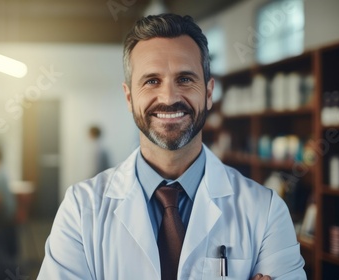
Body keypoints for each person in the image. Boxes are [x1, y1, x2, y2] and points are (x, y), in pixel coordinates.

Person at [38, 14, 306, 280]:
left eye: (185, 79)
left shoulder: (265, 211)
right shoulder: (80, 209)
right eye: (152, 81)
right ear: (129, 97)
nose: (169, 98)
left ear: (209, 93)